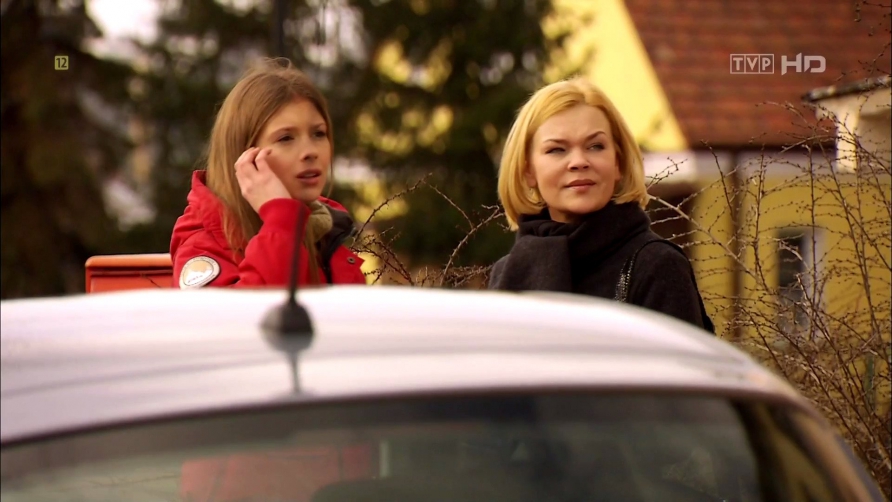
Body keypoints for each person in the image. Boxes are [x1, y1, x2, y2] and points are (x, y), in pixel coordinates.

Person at [488, 77, 713, 332]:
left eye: (595, 146)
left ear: (618, 162)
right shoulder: (508, 273)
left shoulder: (656, 266)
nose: (579, 161)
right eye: (557, 150)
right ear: (528, 170)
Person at [170, 58, 367, 288]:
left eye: (318, 134)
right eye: (286, 138)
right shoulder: (201, 246)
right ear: (245, 156)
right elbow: (260, 308)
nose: (310, 152)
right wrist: (280, 218)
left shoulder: (325, 228)